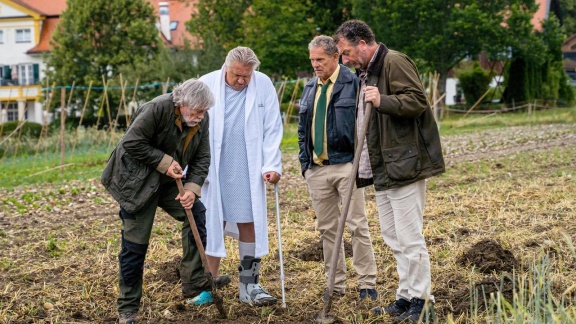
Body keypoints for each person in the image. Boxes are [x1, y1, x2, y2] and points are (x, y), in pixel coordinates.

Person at [333, 20, 445, 323]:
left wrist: (382, 100)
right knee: (393, 236)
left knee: (410, 237)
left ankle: (423, 301)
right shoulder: (367, 72)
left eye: (345, 53)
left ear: (361, 43)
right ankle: (406, 295)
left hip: (404, 163)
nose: (344, 60)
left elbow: (417, 101)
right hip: (383, 167)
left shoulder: (394, 61)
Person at [101, 79, 214, 324]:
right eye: (196, 112)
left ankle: (194, 283)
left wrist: (192, 190)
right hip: (136, 184)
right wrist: (164, 162)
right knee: (135, 245)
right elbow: (131, 142)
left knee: (196, 213)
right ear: (182, 104)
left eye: (204, 112)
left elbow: (203, 156)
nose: (201, 117)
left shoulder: (200, 119)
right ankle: (128, 307)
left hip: (167, 183)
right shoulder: (156, 109)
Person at [199, 46, 283, 306]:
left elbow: (272, 127)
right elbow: (193, 124)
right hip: (215, 166)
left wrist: (272, 165)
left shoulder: (263, 84)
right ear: (226, 67)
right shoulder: (206, 83)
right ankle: (207, 287)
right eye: (237, 75)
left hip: (249, 166)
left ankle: (250, 285)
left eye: (246, 75)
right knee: (212, 225)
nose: (241, 81)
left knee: (250, 221)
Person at [298, 35, 378, 300]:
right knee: (328, 230)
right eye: (312, 60)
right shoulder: (310, 88)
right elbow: (302, 130)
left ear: (335, 57)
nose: (315, 65)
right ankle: (336, 285)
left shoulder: (353, 84)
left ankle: (367, 284)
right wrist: (305, 165)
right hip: (317, 170)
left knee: (357, 224)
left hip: (347, 165)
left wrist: (359, 162)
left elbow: (363, 126)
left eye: (320, 59)